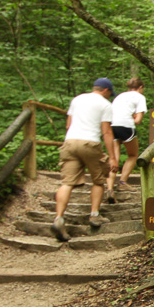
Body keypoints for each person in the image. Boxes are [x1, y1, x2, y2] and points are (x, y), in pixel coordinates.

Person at [51, 77, 115, 241]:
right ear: (105, 90)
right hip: (90, 143)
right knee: (98, 180)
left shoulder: (77, 99)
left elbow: (68, 124)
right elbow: (107, 132)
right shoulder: (105, 104)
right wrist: (113, 157)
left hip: (70, 141)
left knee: (67, 183)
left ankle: (59, 218)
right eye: (109, 94)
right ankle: (94, 215)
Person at [106, 77, 147, 202]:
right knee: (133, 155)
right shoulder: (140, 97)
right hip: (126, 126)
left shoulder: (119, 96)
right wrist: (134, 117)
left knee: (114, 158)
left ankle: (109, 189)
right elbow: (138, 120)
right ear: (140, 88)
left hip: (112, 126)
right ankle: (123, 182)